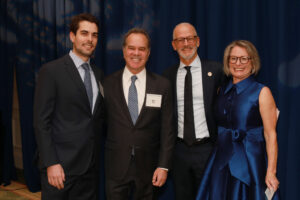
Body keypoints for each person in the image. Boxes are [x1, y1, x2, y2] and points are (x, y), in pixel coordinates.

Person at [196, 40, 280, 200]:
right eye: (233, 58)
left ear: (252, 61)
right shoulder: (222, 90)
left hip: (250, 163)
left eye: (244, 58)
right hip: (221, 161)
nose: (238, 63)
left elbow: (271, 135)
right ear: (227, 62)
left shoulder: (262, 92)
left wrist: (271, 171)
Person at [33, 13, 105, 200]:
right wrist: (51, 163)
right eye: (84, 33)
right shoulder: (51, 71)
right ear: (72, 36)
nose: (90, 39)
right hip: (60, 170)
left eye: (94, 35)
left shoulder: (99, 74)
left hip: (89, 170)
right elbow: (41, 122)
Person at [103, 28, 175, 200]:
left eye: (142, 49)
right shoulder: (107, 84)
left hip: (149, 167)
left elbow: (168, 130)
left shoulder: (162, 85)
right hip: (116, 165)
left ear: (148, 53)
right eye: (131, 48)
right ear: (124, 50)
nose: (136, 53)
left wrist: (163, 166)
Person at [163, 22, 225, 200]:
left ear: (197, 41)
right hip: (179, 151)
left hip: (207, 149)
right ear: (174, 45)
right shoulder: (167, 75)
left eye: (189, 38)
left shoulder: (216, 70)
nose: (186, 43)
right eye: (180, 40)